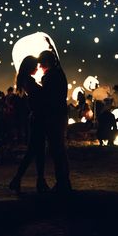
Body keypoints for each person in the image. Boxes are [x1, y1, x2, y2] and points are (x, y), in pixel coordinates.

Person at [9, 56, 50, 194]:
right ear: (30, 67)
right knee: (35, 151)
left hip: (36, 118)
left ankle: (35, 180)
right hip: (38, 118)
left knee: (36, 151)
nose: (38, 68)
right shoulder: (30, 81)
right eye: (36, 65)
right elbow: (41, 97)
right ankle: (24, 180)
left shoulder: (26, 80)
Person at [38, 38, 72, 194]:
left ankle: (62, 183)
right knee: (60, 148)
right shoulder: (60, 73)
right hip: (61, 113)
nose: (39, 66)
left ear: (46, 63)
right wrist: (50, 45)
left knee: (56, 148)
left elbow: (46, 97)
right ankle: (65, 181)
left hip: (54, 115)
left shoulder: (50, 76)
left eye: (41, 62)